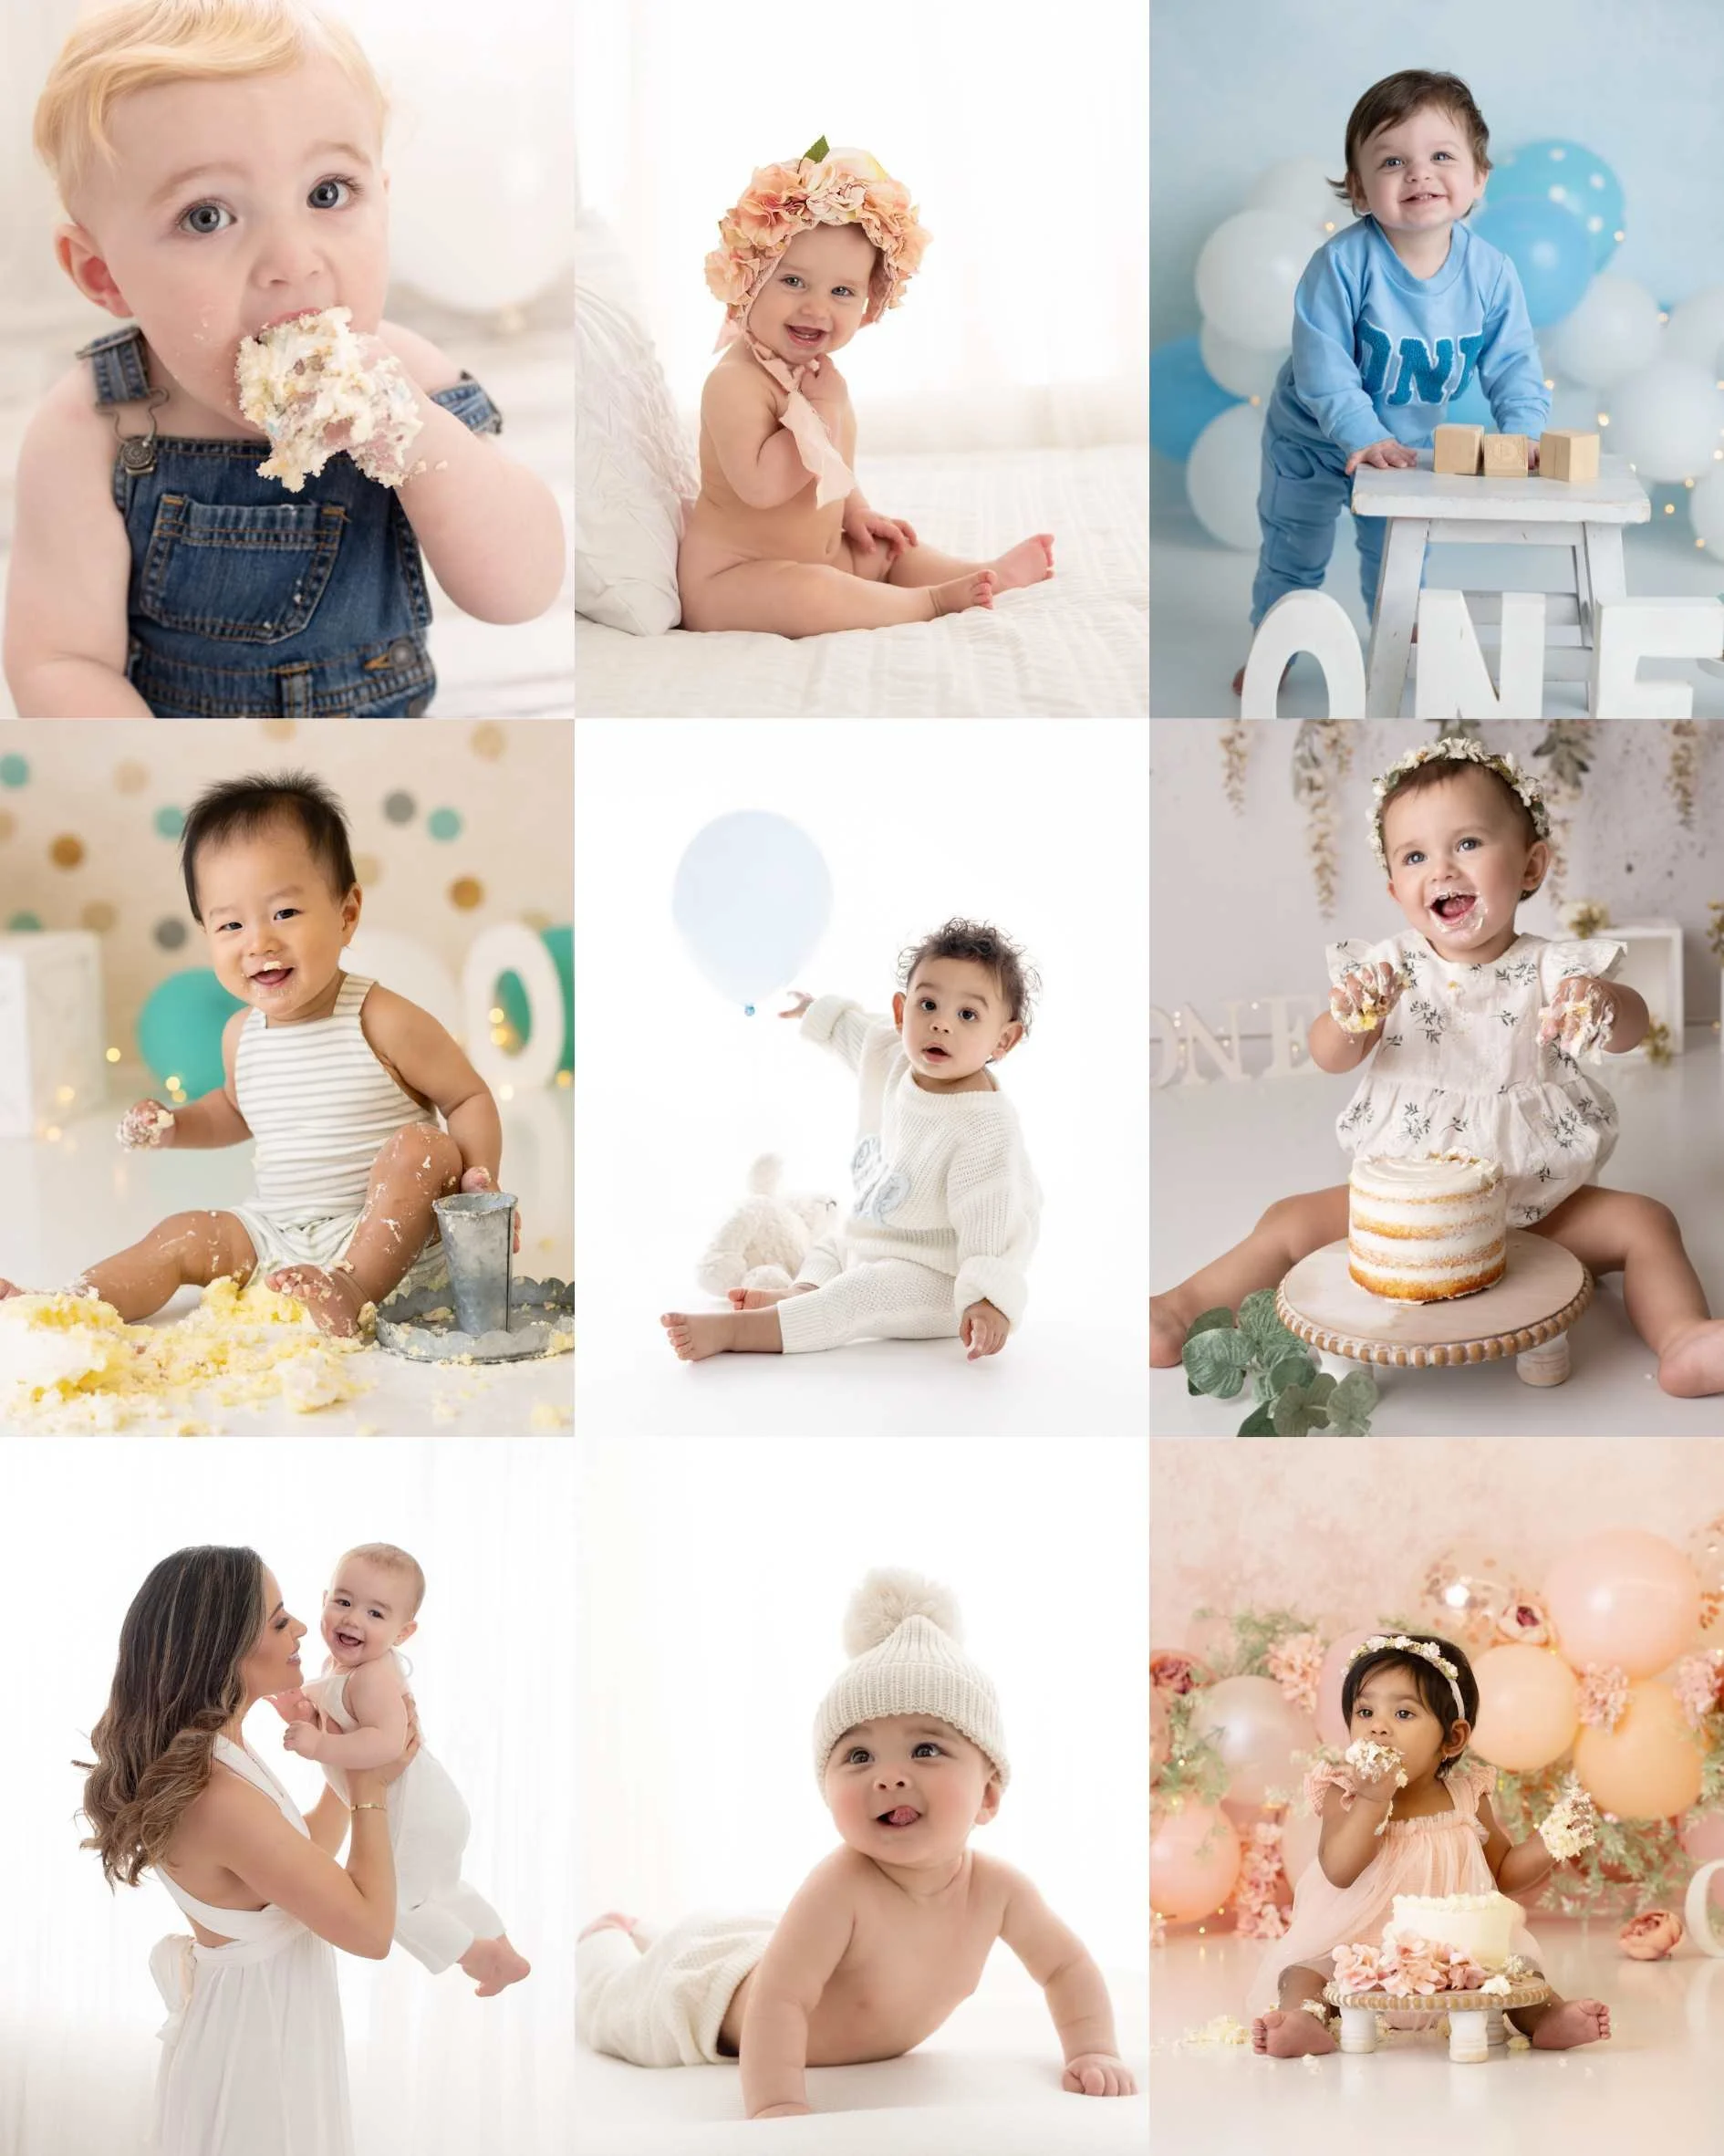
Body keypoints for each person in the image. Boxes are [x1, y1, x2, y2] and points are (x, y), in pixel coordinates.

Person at [9, 0, 563, 717]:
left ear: (383, 204)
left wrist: (411, 431)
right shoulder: (96, 426)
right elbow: (60, 662)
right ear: (103, 275)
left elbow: (522, 589)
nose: (292, 263)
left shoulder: (406, 376)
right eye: (207, 216)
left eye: (327, 193)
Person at [1151, 736, 1724, 1397]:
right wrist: (1353, 1017)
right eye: (1417, 855)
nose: (1443, 868)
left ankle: (1682, 1337)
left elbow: (1634, 1028)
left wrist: (1600, 1002)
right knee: (1286, 1221)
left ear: (1532, 865)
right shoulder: (1391, 968)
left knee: (1646, 1222)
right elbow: (1327, 1054)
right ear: (1396, 888)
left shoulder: (1550, 966)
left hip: (1534, 1212)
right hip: (1412, 1220)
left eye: (1469, 844)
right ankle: (1179, 1308)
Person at [577, 1570, 1137, 2118]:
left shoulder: (1000, 1891)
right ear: (828, 1792)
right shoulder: (840, 1886)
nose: (888, 1777)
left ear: (988, 1795)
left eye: (925, 1750)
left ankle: (648, 1931)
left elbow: (1066, 1967)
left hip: (769, 1948)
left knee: (747, 1939)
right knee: (617, 2006)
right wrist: (777, 2102)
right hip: (706, 1998)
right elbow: (780, 2000)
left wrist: (1092, 2048)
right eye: (859, 1757)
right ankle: (607, 1937)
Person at [0, 769, 516, 1337]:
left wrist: (479, 1186)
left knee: (425, 1148)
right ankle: (67, 1304)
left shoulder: (382, 1018)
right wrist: (175, 1126)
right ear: (207, 935)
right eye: (231, 924)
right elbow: (233, 1111)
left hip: (392, 1238)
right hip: (279, 1234)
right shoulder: (240, 1034)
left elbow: (467, 1096)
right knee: (184, 1233)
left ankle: (353, 1289)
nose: (259, 942)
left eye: (285, 913)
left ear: (346, 915)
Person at [78, 1544, 418, 2151]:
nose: (300, 1628)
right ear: (225, 1646)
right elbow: (369, 1929)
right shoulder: (219, 1795)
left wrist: (349, 1749)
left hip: (265, 2034)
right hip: (255, 2059)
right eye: (278, 1617)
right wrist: (372, 1783)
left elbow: (295, 1861)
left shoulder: (220, 1753)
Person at [1231, 70, 1548, 697]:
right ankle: (1277, 644)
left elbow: (1513, 363)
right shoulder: (1342, 265)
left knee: (1398, 558)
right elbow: (1324, 368)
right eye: (1393, 160)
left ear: (1478, 176)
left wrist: (1523, 433)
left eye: (1441, 157)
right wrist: (1359, 435)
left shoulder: (1490, 274)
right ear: (1357, 188)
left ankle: (1400, 636)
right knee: (1294, 550)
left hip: (1403, 451)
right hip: (1312, 440)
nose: (1420, 174)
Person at [677, 140, 1054, 634]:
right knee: (813, 594)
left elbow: (831, 466)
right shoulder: (735, 382)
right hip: (734, 580)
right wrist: (821, 410)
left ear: (869, 302)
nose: (816, 307)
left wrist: (857, 510)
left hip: (822, 552)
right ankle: (930, 603)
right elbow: (763, 488)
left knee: (887, 548)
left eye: (841, 292)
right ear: (751, 279)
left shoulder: (818, 376)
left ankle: (976, 572)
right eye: (793, 282)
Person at [660, 920, 1040, 1360]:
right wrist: (815, 1011)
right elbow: (857, 1034)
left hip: (945, 1279)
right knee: (833, 1245)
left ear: (1005, 1039)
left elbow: (992, 1225)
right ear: (902, 1012)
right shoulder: (893, 1053)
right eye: (929, 1004)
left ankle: (737, 1332)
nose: (941, 1025)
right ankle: (801, 1294)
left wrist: (987, 1300)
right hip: (875, 1242)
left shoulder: (984, 1127)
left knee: (860, 1293)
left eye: (967, 1015)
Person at [1250, 1631, 1611, 2056]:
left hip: (1456, 1963)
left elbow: (1503, 1874)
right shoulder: (1343, 1792)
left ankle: (1547, 2018)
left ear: (1452, 1739)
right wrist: (1371, 1797)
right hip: (1358, 1959)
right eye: (1364, 1711)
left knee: (1519, 1972)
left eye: (1403, 1713)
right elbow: (1340, 1869)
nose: (1378, 1726)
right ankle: (1304, 2021)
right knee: (1301, 1975)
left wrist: (1552, 1840)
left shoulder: (1466, 1796)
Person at [272, 1542, 530, 1994]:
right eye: (344, 1602)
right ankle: (503, 1948)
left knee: (389, 1903)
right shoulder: (342, 1666)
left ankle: (478, 1957)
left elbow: (386, 1743)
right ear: (324, 1600)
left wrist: (316, 1745)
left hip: (414, 1811)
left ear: (403, 1632)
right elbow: (345, 1721)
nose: (353, 1619)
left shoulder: (371, 1676)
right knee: (442, 1888)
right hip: (431, 1809)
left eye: (376, 1613)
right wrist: (306, 1716)